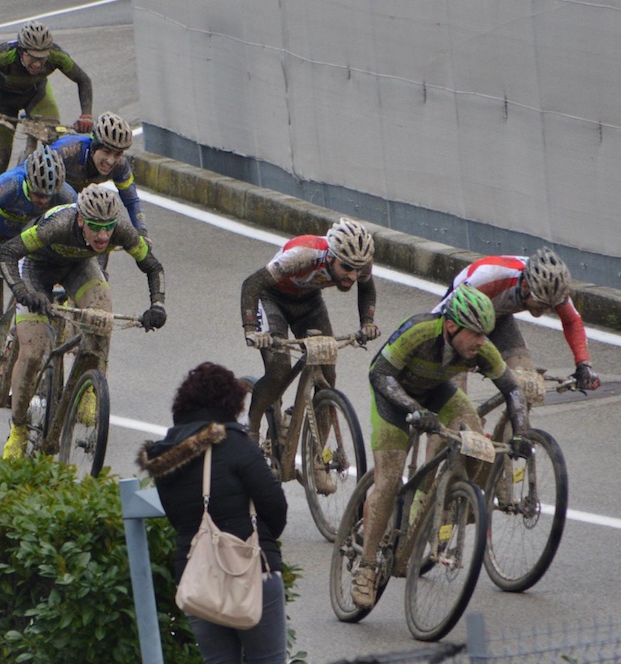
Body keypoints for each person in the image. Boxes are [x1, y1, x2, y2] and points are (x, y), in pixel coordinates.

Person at [351, 284, 530, 609]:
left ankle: (455, 497)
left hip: (435, 390)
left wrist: (520, 434)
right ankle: (366, 566)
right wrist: (413, 409)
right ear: (451, 326)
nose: (482, 341)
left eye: (485, 334)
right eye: (475, 334)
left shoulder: (481, 348)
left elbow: (512, 390)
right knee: (389, 479)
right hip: (392, 395)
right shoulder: (419, 330)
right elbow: (380, 374)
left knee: (474, 434)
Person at [0, 184, 166, 459]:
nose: (103, 235)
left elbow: (153, 267)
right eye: (95, 227)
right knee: (34, 351)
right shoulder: (57, 226)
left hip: (79, 267)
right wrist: (24, 293)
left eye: (107, 228)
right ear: (80, 220)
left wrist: (157, 305)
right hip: (36, 270)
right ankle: (18, 429)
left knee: (102, 316)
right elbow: (7, 253)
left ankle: (89, 385)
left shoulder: (121, 229)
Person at [137, 361, 289, 664]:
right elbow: (275, 507)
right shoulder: (234, 443)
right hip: (250, 570)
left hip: (198, 576)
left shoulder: (164, 458)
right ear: (229, 403)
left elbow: (178, 518)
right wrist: (261, 539)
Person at [240, 216, 380, 493]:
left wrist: (367, 323)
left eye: (357, 269)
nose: (352, 276)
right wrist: (252, 329)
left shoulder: (359, 261)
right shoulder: (303, 255)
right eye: (346, 268)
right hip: (272, 299)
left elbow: (367, 288)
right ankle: (251, 429)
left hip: (309, 303)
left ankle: (317, 460)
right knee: (279, 368)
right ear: (331, 256)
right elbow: (252, 284)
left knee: (327, 373)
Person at [0, 146, 77, 420]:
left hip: (27, 249)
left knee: (39, 299)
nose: (42, 201)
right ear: (27, 181)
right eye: (37, 194)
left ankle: (15, 350)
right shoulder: (7, 184)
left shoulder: (67, 196)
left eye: (48, 196)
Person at [432, 247, 601, 396]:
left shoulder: (552, 288)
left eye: (552, 306)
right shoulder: (490, 276)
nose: (547, 311)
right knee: (455, 397)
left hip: (499, 317)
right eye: (542, 304)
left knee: (528, 386)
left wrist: (583, 365)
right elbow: (439, 318)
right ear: (526, 285)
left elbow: (572, 322)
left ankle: (517, 423)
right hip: (463, 323)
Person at [0, 20, 94, 187]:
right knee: (0, 158)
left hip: (37, 96)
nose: (37, 64)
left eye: (42, 58)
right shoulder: (5, 54)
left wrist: (86, 115)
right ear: (21, 51)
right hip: (3, 101)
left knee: (53, 144)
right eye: (32, 57)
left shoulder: (56, 55)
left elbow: (83, 79)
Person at [50, 111, 147, 236]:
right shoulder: (65, 152)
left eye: (118, 154)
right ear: (93, 146)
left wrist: (142, 232)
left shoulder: (120, 166)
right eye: (106, 152)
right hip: (51, 194)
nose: (111, 161)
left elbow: (132, 201)